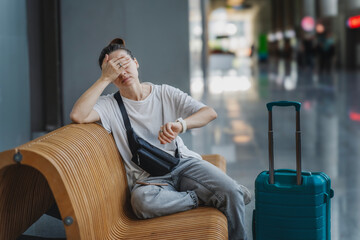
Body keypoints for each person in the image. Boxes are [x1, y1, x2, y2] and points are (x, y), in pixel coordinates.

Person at [70, 38, 251, 240]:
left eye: (124, 62)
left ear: (136, 63)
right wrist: (103, 79)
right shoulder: (109, 105)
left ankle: (223, 194)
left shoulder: (164, 93)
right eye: (113, 69)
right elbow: (78, 115)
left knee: (232, 193)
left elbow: (209, 113)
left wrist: (180, 125)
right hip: (150, 181)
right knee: (141, 203)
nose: (121, 71)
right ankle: (201, 197)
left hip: (183, 164)